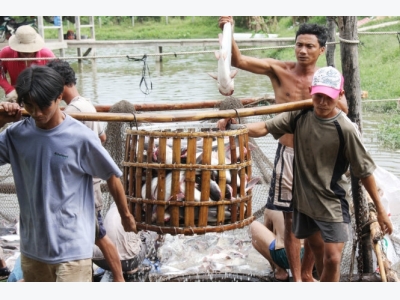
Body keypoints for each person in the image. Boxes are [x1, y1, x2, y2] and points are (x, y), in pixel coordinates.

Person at [218, 66, 393, 281]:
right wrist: (234, 127)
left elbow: (364, 172)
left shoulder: (346, 129)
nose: (322, 102)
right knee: (320, 259)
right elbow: (264, 127)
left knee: (333, 259)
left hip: (333, 203)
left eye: (328, 97)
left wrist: (382, 212)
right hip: (305, 204)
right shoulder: (299, 115)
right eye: (318, 96)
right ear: (311, 91)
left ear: (339, 95)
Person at [218, 16, 349, 282]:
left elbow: (345, 111)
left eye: (310, 46)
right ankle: (296, 277)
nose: (303, 50)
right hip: (287, 155)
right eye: (299, 45)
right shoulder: (279, 70)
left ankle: (310, 275)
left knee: (313, 219)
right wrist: (227, 30)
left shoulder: (327, 80)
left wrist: (320, 101)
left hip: (318, 161)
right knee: (289, 220)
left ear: (322, 50)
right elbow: (238, 61)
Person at [0, 65, 137, 282]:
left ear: (59, 97)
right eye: (29, 105)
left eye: (43, 106)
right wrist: (1, 122)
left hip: (73, 248)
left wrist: (126, 215)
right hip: (33, 248)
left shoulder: (80, 137)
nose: (37, 113)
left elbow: (111, 176)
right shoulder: (15, 135)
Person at [46, 59, 125, 282]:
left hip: (85, 185)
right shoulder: (86, 105)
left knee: (98, 235)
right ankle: (89, 276)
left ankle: (119, 280)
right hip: (90, 180)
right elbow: (102, 137)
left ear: (60, 84)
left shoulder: (73, 112)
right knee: (89, 234)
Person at [92, 202, 148, 282]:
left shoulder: (114, 203)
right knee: (145, 236)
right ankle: (132, 272)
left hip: (100, 259)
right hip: (128, 262)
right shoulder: (138, 206)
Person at [0, 25, 55, 102]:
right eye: (23, 50)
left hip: (41, 94)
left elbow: (58, 76)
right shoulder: (6, 53)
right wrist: (8, 89)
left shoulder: (46, 54)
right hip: (15, 94)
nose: (26, 52)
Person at [250, 209, 307, 282]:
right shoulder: (304, 202)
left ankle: (280, 270)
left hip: (285, 256)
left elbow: (264, 236)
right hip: (308, 255)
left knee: (254, 226)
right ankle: (307, 270)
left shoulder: (271, 206)